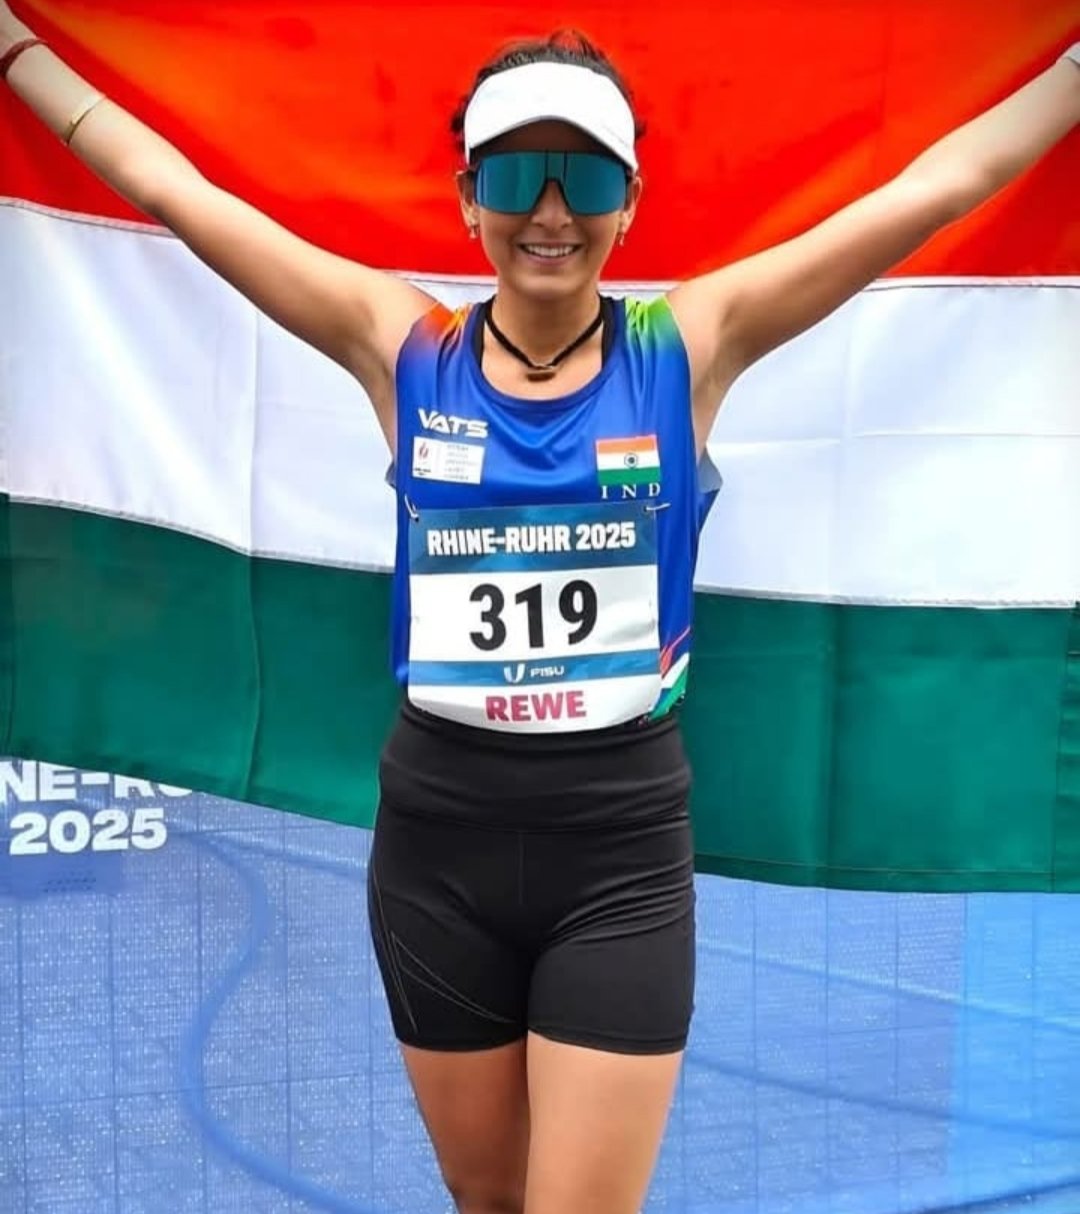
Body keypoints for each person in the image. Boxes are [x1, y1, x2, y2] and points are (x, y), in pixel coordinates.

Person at [3, 5, 1078, 1211]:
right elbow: (179, 195)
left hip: (617, 851)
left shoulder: (688, 343)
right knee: (491, 1201)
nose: (551, 211)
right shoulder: (402, 343)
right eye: (517, 176)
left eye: (586, 177)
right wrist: (17, 53)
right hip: (437, 846)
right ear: (470, 199)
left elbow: (933, 192)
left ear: (631, 200)